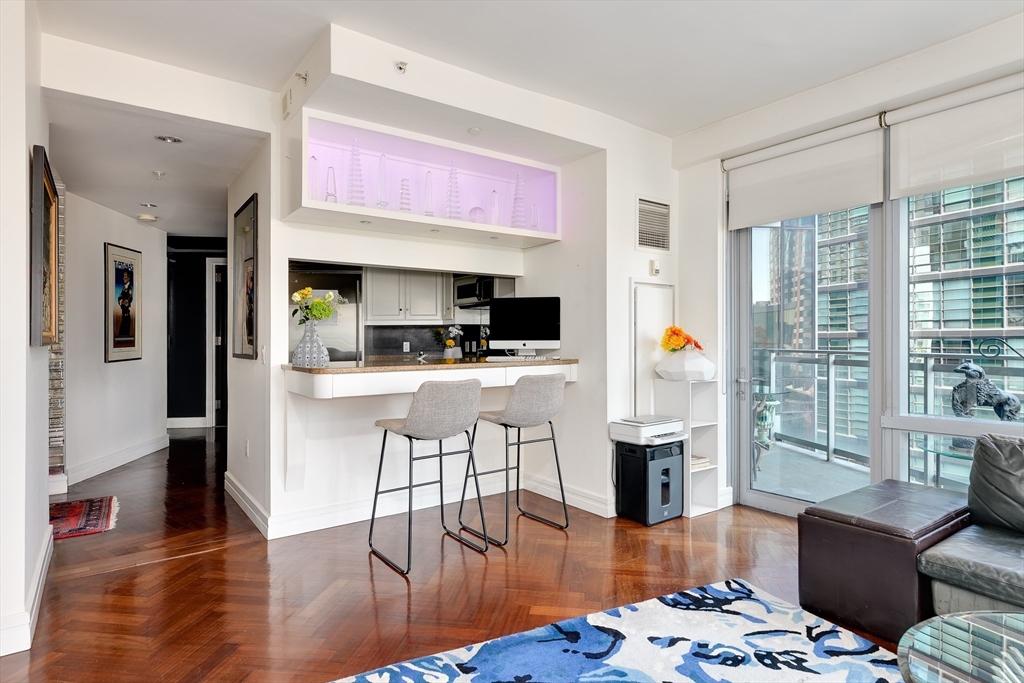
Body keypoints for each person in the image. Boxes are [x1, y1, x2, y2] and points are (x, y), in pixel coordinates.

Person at [117, 268, 133, 338]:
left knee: (124, 337)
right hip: (124, 316)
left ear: (129, 277)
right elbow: (119, 299)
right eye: (123, 276)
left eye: (125, 276)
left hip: (127, 317)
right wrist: (121, 301)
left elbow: (126, 302)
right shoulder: (124, 288)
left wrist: (122, 301)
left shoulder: (129, 289)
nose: (124, 277)